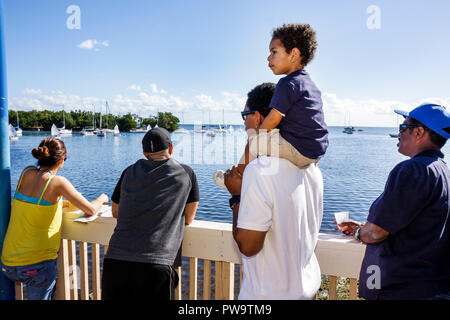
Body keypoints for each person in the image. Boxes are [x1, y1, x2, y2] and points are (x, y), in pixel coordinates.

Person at [337, 103, 450, 300]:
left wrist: (359, 232)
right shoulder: (444, 173)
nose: (399, 133)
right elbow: (420, 226)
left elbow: (375, 233)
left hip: (403, 290)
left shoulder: (412, 170)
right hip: (435, 288)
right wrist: (365, 226)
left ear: (419, 132)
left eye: (403, 128)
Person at [224, 83, 324, 300]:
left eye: (245, 115)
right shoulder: (312, 170)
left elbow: (248, 246)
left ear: (258, 118)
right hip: (307, 291)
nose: (243, 124)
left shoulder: (259, 173)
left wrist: (237, 197)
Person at [214, 23, 328, 189]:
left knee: (254, 141)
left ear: (294, 54)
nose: (269, 58)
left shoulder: (287, 83)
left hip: (299, 149)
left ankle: (236, 176)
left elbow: (274, 118)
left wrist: (257, 137)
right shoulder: (310, 84)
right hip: (315, 152)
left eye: (274, 52)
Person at [1, 138, 108, 300]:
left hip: (8, 263)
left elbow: (34, 201)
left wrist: (61, 204)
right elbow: (91, 209)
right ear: (61, 160)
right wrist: (102, 198)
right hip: (36, 266)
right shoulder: (57, 182)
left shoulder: (26, 172)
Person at [101, 127, 199, 300]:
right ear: (171, 149)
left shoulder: (129, 171)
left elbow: (116, 211)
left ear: (145, 153)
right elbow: (189, 218)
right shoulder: (186, 173)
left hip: (115, 262)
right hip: (157, 264)